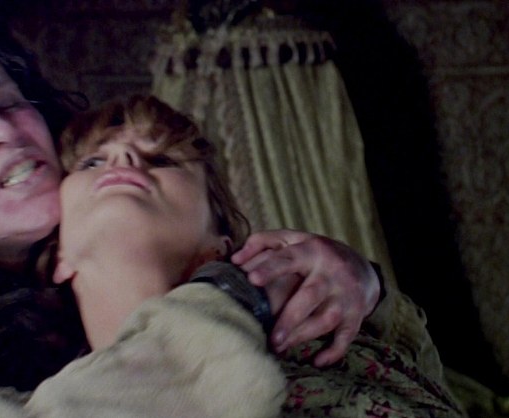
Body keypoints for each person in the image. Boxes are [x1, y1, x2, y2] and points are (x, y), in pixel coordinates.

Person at [0, 1, 414, 417]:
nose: (0, 131)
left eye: (7, 103)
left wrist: (363, 285)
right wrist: (228, 296)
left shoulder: (119, 229)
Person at [53, 94, 464, 417]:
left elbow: (430, 382)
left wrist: (374, 295)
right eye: (92, 162)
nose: (123, 160)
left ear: (218, 245)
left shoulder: (315, 342)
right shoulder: (41, 403)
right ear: (60, 257)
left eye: (160, 160)